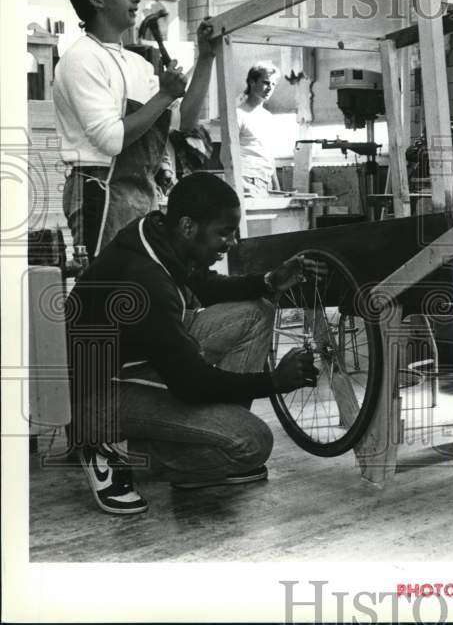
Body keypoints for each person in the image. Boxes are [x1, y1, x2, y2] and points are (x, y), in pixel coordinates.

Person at [66, 172, 321, 515]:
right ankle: (110, 449)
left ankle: (203, 450)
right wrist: (274, 381)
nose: (232, 242)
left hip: (134, 365)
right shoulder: (146, 280)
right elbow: (191, 383)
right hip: (98, 396)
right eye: (224, 232)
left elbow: (206, 285)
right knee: (251, 443)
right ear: (188, 227)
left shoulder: (157, 235)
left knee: (255, 312)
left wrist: (269, 281)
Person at [54, 0, 216, 260]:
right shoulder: (81, 58)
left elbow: (184, 121)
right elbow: (111, 140)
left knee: (144, 290)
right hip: (98, 191)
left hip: (140, 192)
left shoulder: (138, 65)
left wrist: (205, 57)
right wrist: (165, 95)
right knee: (109, 292)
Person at [237, 62, 282, 197]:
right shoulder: (238, 114)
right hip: (246, 180)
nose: (270, 88)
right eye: (266, 82)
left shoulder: (268, 117)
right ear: (252, 82)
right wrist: (240, 184)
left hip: (265, 181)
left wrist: (277, 187)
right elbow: (227, 154)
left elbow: (268, 155)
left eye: (273, 84)